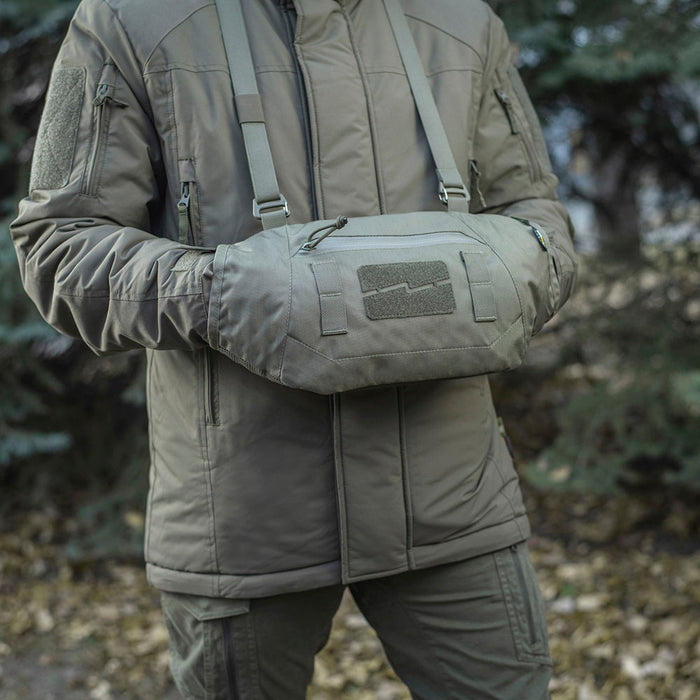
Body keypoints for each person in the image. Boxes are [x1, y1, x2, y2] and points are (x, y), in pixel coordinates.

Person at [11, 0, 577, 697]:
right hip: (244, 518)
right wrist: (226, 291)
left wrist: (473, 283)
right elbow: (59, 247)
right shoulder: (129, 19)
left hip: (454, 499)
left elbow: (540, 224)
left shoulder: (461, 19)